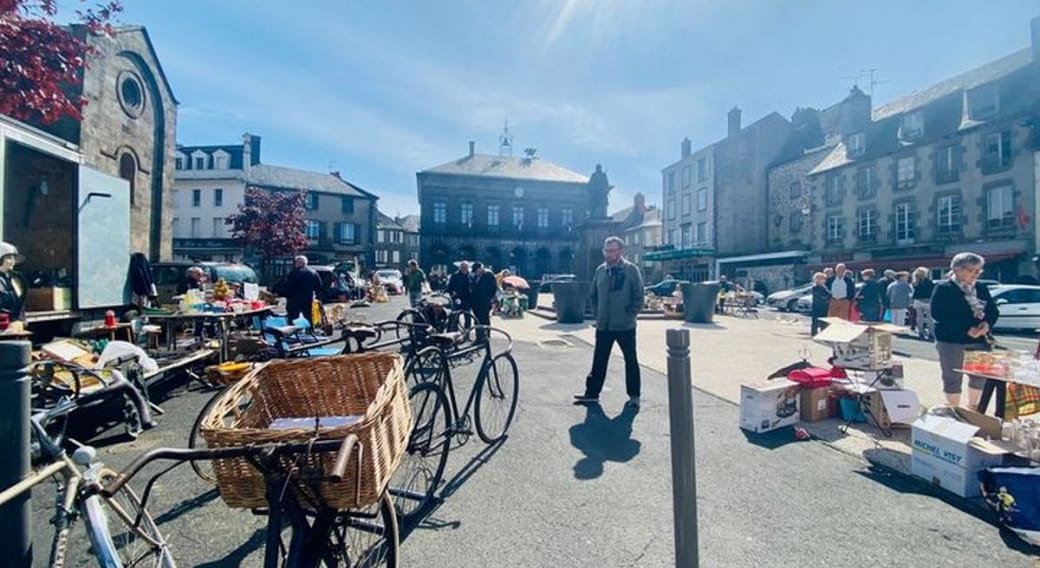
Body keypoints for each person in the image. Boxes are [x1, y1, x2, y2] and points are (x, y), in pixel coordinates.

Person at [574, 236, 645, 408]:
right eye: (606, 250)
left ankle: (634, 396)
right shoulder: (601, 270)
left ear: (621, 251)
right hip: (604, 325)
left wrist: (630, 315)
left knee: (630, 360)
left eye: (612, 250)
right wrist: (598, 315)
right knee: (599, 360)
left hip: (625, 326)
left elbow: (639, 295)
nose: (608, 254)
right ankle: (591, 393)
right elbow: (593, 295)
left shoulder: (631, 270)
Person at [931, 252, 998, 407]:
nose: (975, 274)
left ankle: (973, 407)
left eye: (978, 271)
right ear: (957, 269)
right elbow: (939, 314)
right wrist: (965, 329)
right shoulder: (944, 288)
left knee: (979, 375)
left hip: (980, 339)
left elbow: (993, 310)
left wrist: (986, 324)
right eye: (971, 270)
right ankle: (954, 408)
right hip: (952, 340)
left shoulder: (981, 287)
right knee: (952, 375)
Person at [284, 255, 323, 325]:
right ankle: (310, 330)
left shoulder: (293, 273)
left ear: (298, 263)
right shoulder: (313, 272)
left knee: (293, 317)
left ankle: (293, 332)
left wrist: (287, 295)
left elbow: (288, 286)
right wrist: (315, 294)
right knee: (308, 315)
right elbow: (319, 286)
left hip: (294, 299)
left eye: (296, 262)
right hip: (308, 298)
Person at [470, 263, 498, 338]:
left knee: (485, 319)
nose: (476, 273)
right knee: (477, 320)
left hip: (485, 302)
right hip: (476, 302)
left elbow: (494, 288)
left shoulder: (489, 275)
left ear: (480, 268)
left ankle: (486, 337)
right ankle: (478, 336)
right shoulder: (475, 276)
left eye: (476, 271)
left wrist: (489, 298)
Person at [0, 242, 25, 322]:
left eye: (13, 258)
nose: (12, 262)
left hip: (13, 322)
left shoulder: (15, 278)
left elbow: (20, 302)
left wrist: (22, 319)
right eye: (9, 258)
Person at [911, 267, 935, 340]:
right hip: (927, 301)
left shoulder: (915, 282)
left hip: (917, 300)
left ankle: (920, 332)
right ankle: (931, 333)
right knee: (929, 318)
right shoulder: (928, 281)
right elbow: (932, 291)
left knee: (919, 317)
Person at [810, 271, 830, 336]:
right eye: (821, 279)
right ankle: (814, 334)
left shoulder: (824, 287)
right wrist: (825, 298)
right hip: (817, 307)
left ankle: (823, 334)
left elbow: (829, 294)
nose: (823, 280)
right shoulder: (814, 287)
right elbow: (820, 296)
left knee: (824, 322)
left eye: (824, 279)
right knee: (815, 322)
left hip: (824, 307)